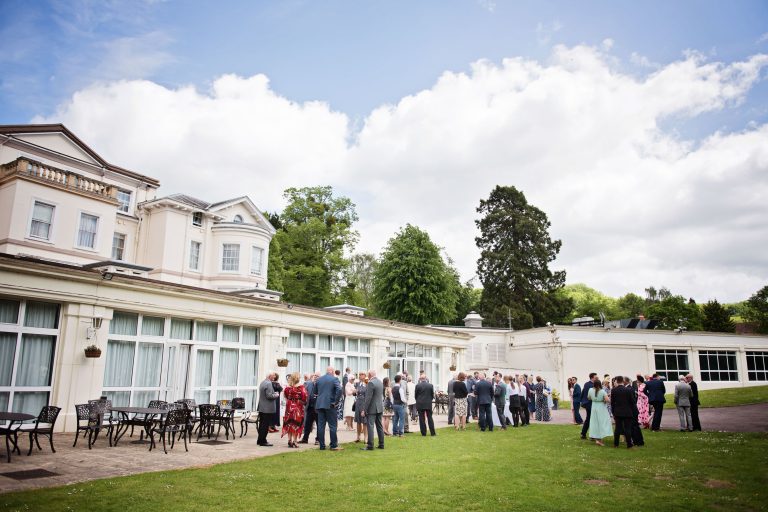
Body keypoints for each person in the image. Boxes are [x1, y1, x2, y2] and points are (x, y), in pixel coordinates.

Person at [315, 366, 343, 451]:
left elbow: (315, 392)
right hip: (330, 405)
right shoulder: (334, 379)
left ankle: (322, 446)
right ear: (333, 371)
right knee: (332, 425)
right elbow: (339, 390)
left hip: (320, 404)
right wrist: (336, 401)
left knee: (320, 426)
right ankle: (333, 445)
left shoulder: (319, 379)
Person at [281, 372, 308, 448]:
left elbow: (285, 396)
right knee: (296, 424)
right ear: (298, 378)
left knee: (289, 423)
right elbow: (305, 397)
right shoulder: (301, 388)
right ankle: (295, 441)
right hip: (297, 407)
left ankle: (289, 440)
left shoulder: (287, 388)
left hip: (289, 407)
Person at [361, 369, 385, 450]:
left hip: (372, 408)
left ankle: (370, 445)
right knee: (379, 426)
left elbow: (368, 398)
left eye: (368, 374)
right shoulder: (380, 382)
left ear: (370, 374)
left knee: (370, 426)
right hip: (379, 407)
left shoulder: (371, 383)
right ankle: (381, 444)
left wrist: (364, 409)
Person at [610, 375, 635, 449]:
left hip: (617, 412)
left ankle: (616, 444)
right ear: (623, 381)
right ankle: (629, 445)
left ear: (616, 381)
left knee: (617, 428)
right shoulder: (628, 390)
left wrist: (613, 412)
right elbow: (632, 402)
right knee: (627, 428)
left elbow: (612, 403)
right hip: (627, 411)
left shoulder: (614, 390)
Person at [257, 372, 280, 446]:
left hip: (262, 407)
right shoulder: (269, 383)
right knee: (265, 425)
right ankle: (263, 441)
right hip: (267, 408)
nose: (274, 377)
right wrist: (276, 394)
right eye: (273, 376)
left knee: (261, 425)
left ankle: (260, 440)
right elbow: (269, 396)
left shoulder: (262, 382)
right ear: (270, 376)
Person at [587, 379, 612, 446]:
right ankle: (599, 440)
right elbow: (608, 400)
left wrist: (594, 399)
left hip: (594, 406)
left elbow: (589, 398)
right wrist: (603, 400)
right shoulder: (602, 391)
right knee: (602, 422)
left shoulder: (590, 390)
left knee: (595, 422)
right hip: (601, 407)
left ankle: (596, 438)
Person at [298, 371, 319, 445]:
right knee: (307, 424)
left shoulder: (321, 384)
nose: (315, 377)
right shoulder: (309, 384)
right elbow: (304, 393)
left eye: (317, 376)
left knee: (319, 424)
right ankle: (305, 439)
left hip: (318, 408)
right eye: (314, 375)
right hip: (309, 407)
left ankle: (318, 440)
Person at [580, 372, 597, 439]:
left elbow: (583, 392)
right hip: (590, 404)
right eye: (596, 377)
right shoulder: (591, 385)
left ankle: (583, 434)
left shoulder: (586, 384)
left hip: (587, 404)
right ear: (592, 377)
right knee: (591, 419)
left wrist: (582, 401)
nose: (596, 379)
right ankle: (591, 435)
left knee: (589, 419)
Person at [354, 372, 368, 442]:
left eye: (362, 375)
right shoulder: (357, 384)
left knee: (365, 421)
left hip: (364, 403)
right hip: (358, 403)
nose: (360, 376)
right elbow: (355, 394)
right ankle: (358, 437)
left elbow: (368, 395)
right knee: (358, 421)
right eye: (359, 375)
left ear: (365, 376)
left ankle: (366, 437)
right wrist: (354, 392)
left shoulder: (367, 383)